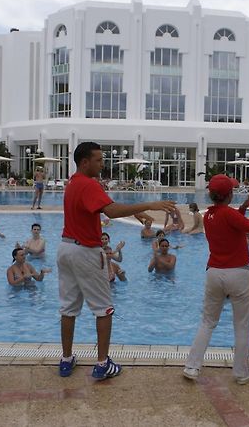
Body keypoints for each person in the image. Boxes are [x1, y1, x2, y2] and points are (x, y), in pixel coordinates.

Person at [57, 141, 176, 380]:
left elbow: (102, 207)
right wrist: (149, 204)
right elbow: (110, 211)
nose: (103, 163)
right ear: (85, 162)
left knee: (68, 308)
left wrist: (133, 211)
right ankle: (102, 364)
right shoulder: (89, 184)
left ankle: (66, 359)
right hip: (86, 253)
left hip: (66, 248)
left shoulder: (73, 183)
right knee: (103, 310)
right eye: (99, 160)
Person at [183, 174, 249, 384]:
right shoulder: (228, 215)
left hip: (214, 273)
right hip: (238, 273)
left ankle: (192, 367)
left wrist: (247, 202)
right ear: (229, 194)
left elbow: (233, 219)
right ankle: (241, 373)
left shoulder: (210, 216)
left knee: (208, 322)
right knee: (241, 325)